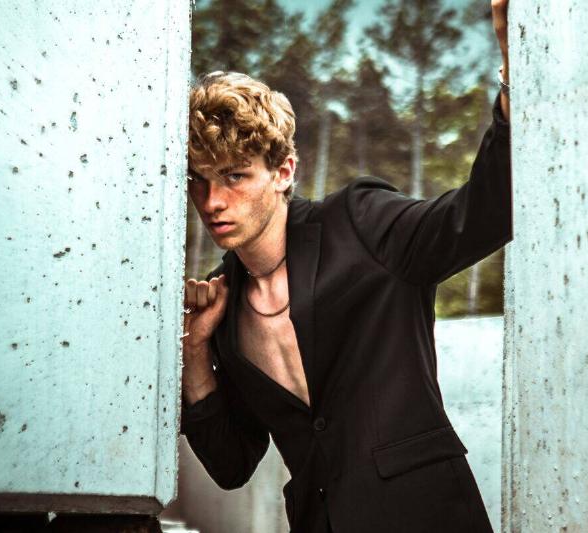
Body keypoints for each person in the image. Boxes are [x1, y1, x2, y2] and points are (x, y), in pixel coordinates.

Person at [180, 2, 511, 531]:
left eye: (235, 176)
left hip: (426, 516)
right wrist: (196, 352)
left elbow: (480, 217)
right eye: (198, 181)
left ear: (283, 170)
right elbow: (230, 464)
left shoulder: (361, 223)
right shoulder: (223, 306)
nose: (212, 201)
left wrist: (511, 84)